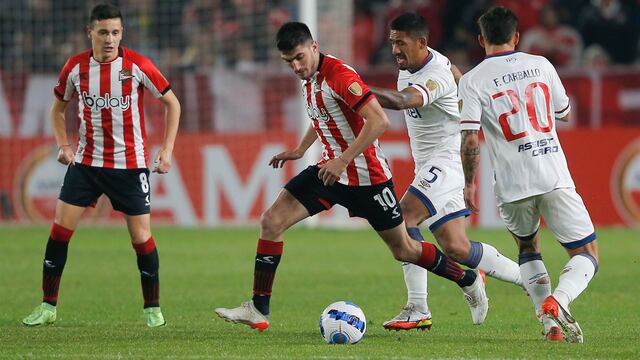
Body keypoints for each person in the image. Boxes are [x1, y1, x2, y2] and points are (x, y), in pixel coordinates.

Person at [214, 21, 487, 331]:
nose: (295, 66)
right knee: (272, 221)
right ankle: (259, 309)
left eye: (299, 58)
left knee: (405, 250)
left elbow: (379, 121)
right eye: (288, 62)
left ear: (314, 47)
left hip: (366, 177)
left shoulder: (341, 76)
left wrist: (344, 159)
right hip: (329, 174)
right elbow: (322, 114)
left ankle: (467, 278)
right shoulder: (312, 77)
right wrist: (301, 150)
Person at [22, 3, 180, 328]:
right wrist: (64, 146)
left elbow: (171, 103)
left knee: (141, 239)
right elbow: (57, 109)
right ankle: (47, 307)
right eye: (104, 32)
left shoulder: (137, 65)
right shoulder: (75, 68)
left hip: (130, 166)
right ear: (90, 32)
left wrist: (167, 150)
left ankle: (153, 309)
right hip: (86, 164)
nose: (110, 39)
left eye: (116, 32)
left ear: (122, 33)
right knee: (59, 231)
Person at [369, 12, 523, 331]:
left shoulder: (433, 75)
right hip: (431, 163)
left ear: (421, 43)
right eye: (391, 42)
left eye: (401, 43)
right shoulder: (424, 62)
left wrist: (356, 90)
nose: (394, 50)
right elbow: (460, 77)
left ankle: (417, 307)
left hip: (447, 159)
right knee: (457, 247)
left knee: (403, 218)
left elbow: (401, 101)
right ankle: (529, 280)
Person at [458, 6, 599, 343]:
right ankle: (559, 301)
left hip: (511, 183)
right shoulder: (541, 65)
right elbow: (563, 112)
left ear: (481, 40)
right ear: (517, 36)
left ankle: (550, 326)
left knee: (527, 248)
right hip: (552, 174)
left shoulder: (473, 79)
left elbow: (469, 137)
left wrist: (469, 183)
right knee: (587, 254)